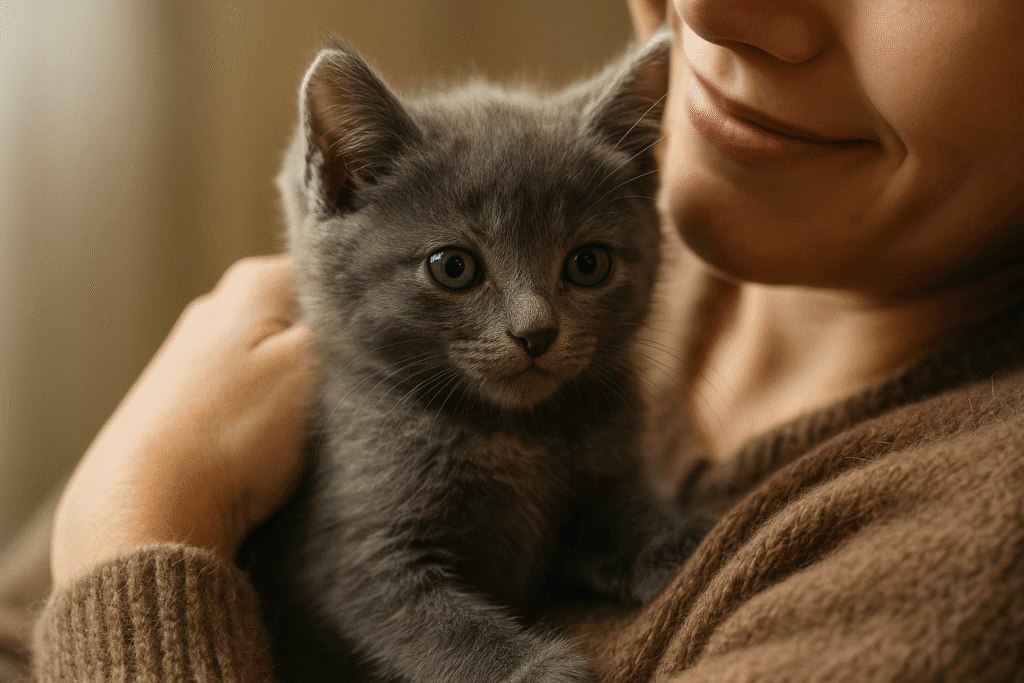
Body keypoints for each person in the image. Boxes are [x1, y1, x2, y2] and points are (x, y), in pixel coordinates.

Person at [17, 0, 1024, 679]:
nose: (712, 11)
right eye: (457, 270)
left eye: (583, 269)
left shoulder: (971, 557)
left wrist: (133, 531)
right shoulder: (617, 230)